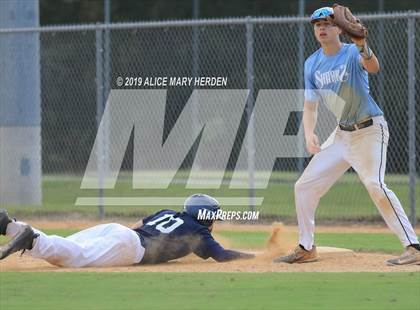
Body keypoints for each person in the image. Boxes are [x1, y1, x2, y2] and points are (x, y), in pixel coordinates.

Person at [274, 7, 420, 265]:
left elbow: (373, 67)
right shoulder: (312, 63)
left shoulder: (352, 53)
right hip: (341, 135)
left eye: (328, 23)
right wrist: (309, 133)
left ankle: (413, 246)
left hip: (370, 131)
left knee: (375, 185)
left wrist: (362, 45)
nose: (322, 28)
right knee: (304, 187)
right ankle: (306, 247)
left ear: (340, 28)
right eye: (317, 24)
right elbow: (310, 106)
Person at [0, 194, 254, 267]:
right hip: (131, 247)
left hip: (118, 231)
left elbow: (137, 226)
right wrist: (254, 256)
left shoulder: (168, 212)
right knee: (75, 258)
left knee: (70, 246)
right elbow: (221, 256)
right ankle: (30, 240)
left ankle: (10, 226)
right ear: (206, 218)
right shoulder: (199, 232)